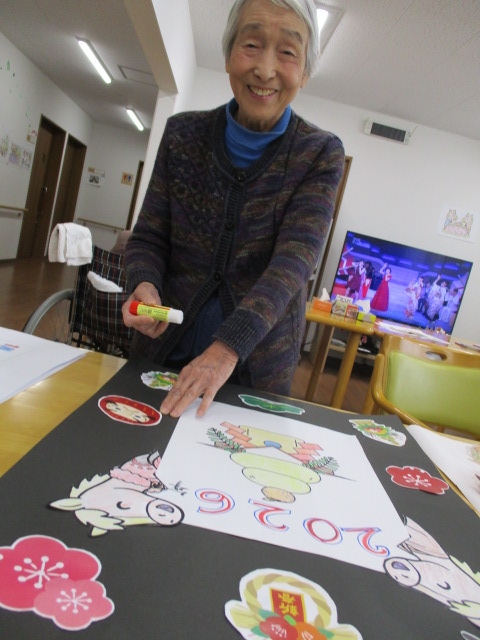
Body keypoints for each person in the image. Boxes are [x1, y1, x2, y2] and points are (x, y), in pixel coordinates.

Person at [122, 0, 345, 419]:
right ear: (228, 55)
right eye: (252, 44)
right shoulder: (181, 134)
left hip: (255, 372)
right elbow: (149, 237)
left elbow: (293, 264)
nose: (265, 69)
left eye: (287, 52)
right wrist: (143, 283)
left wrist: (226, 349)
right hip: (161, 352)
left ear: (305, 72)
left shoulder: (320, 154)